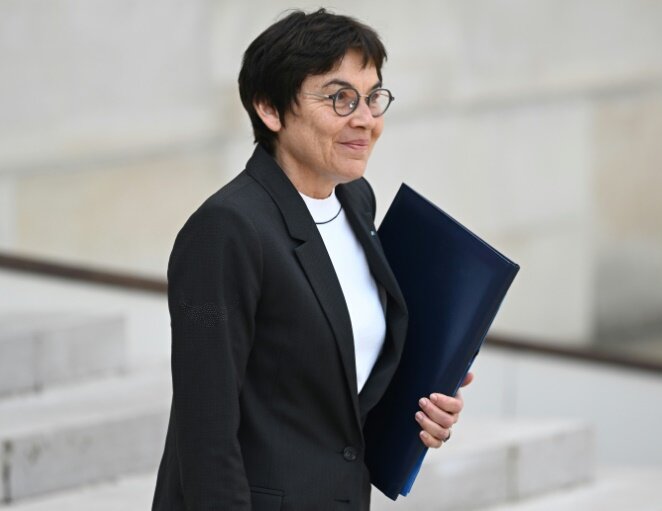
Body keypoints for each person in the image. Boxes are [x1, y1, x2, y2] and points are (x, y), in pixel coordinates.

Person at [152, 9, 472, 511]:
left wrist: (421, 411)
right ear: (270, 109)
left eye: (372, 97)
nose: (365, 119)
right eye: (340, 98)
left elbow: (335, 387)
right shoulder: (225, 231)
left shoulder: (355, 199)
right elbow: (205, 431)